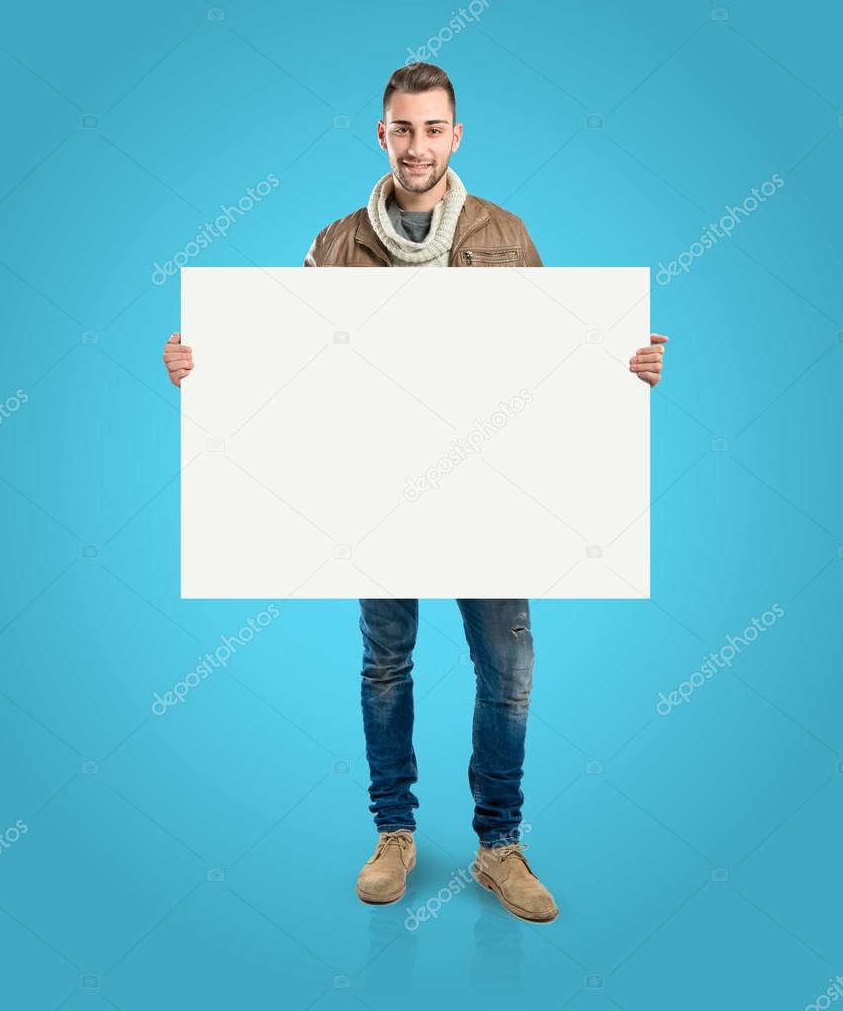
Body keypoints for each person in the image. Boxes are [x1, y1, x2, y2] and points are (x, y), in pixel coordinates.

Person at [163, 62, 667, 924]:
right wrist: (204, 375)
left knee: (507, 671)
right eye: (403, 128)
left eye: (433, 129)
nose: (418, 145)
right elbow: (291, 369)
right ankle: (393, 832)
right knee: (387, 664)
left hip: (494, 493)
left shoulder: (507, 235)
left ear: (456, 136)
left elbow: (555, 357)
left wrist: (625, 371)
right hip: (378, 490)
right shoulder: (335, 245)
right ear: (382, 135)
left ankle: (498, 846)